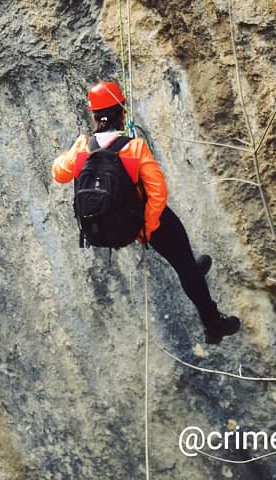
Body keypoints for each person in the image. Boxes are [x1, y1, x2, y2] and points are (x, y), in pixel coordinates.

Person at [52, 80, 241, 344]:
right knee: (185, 264)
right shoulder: (134, 147)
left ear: (94, 115)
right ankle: (212, 323)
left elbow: (59, 173)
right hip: (137, 221)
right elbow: (157, 194)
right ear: (123, 113)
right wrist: (147, 228)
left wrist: (73, 150)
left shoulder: (83, 146)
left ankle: (191, 271)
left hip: (101, 227)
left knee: (184, 260)